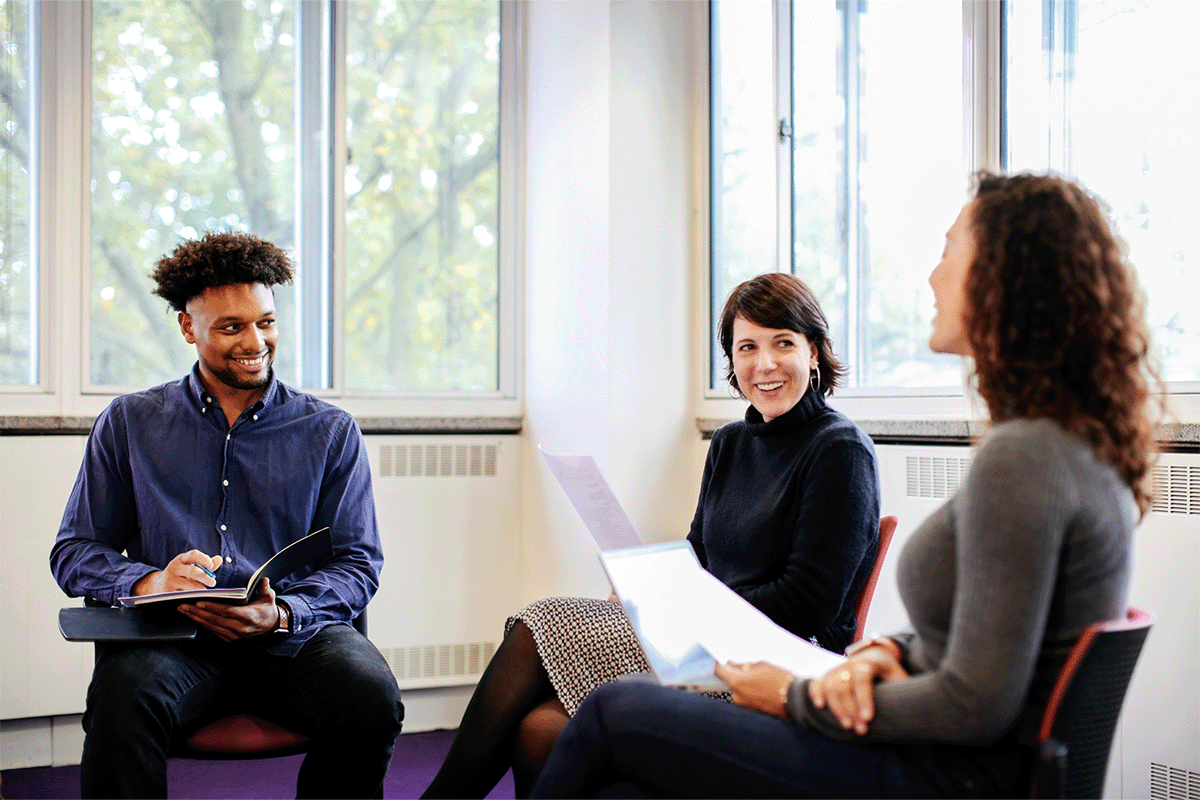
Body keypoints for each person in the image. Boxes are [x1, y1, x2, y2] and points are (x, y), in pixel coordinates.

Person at [527, 171, 1162, 799]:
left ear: (1005, 276)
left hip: (937, 775)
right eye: (746, 348)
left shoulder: (1025, 457)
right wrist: (889, 647)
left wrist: (792, 694)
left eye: (947, 251)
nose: (933, 275)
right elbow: (995, 639)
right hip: (934, 753)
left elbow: (976, 704)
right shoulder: (1059, 443)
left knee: (615, 709)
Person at [423, 272, 881, 797]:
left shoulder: (840, 449)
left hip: (773, 662)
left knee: (543, 621)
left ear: (815, 353)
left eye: (783, 343)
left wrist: (687, 610)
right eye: (747, 347)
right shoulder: (732, 443)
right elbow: (700, 554)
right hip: (704, 639)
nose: (765, 365)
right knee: (538, 727)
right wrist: (648, 586)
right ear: (732, 363)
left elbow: (807, 606)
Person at [49, 231, 405, 799]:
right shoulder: (128, 423)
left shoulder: (330, 431)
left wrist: (284, 612)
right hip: (171, 639)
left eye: (265, 322)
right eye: (232, 327)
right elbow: (74, 551)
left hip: (293, 634)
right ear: (189, 328)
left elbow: (357, 562)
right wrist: (149, 581)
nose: (255, 341)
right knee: (122, 702)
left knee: (370, 696)